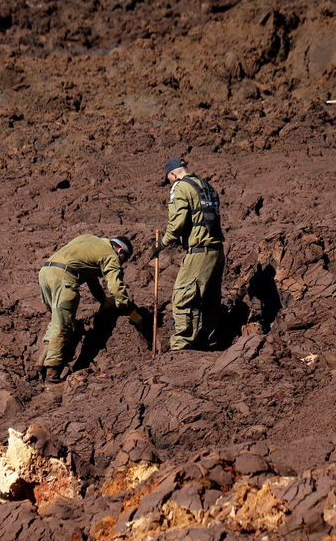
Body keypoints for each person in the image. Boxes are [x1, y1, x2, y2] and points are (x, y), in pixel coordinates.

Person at [38, 234, 142, 383]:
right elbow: (116, 288)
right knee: (63, 326)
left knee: (56, 321)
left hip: (46, 273)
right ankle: (52, 374)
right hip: (63, 278)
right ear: (120, 251)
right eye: (122, 260)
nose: (120, 263)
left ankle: (39, 364)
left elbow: (92, 281)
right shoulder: (110, 255)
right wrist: (128, 310)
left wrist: (103, 301)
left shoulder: (89, 240)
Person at [154, 157, 225, 350]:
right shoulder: (206, 185)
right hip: (217, 251)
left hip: (199, 252)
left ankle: (182, 345)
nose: (170, 183)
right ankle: (209, 342)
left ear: (173, 174)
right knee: (210, 299)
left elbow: (177, 222)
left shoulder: (180, 187)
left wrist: (162, 243)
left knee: (183, 297)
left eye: (168, 179)